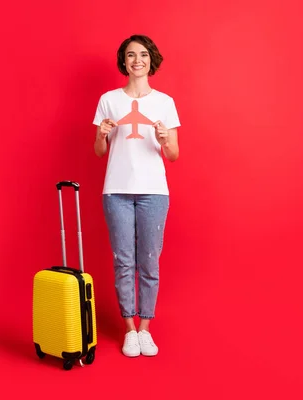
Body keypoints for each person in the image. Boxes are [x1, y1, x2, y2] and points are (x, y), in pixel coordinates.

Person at [92, 34, 180, 357]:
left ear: (151, 60)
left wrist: (163, 139)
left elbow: (173, 154)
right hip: (116, 191)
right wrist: (102, 134)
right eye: (131, 55)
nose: (137, 60)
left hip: (154, 192)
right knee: (124, 260)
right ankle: (129, 328)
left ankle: (145, 329)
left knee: (149, 261)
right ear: (124, 62)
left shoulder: (165, 103)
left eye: (143, 54)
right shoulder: (109, 100)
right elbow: (99, 151)